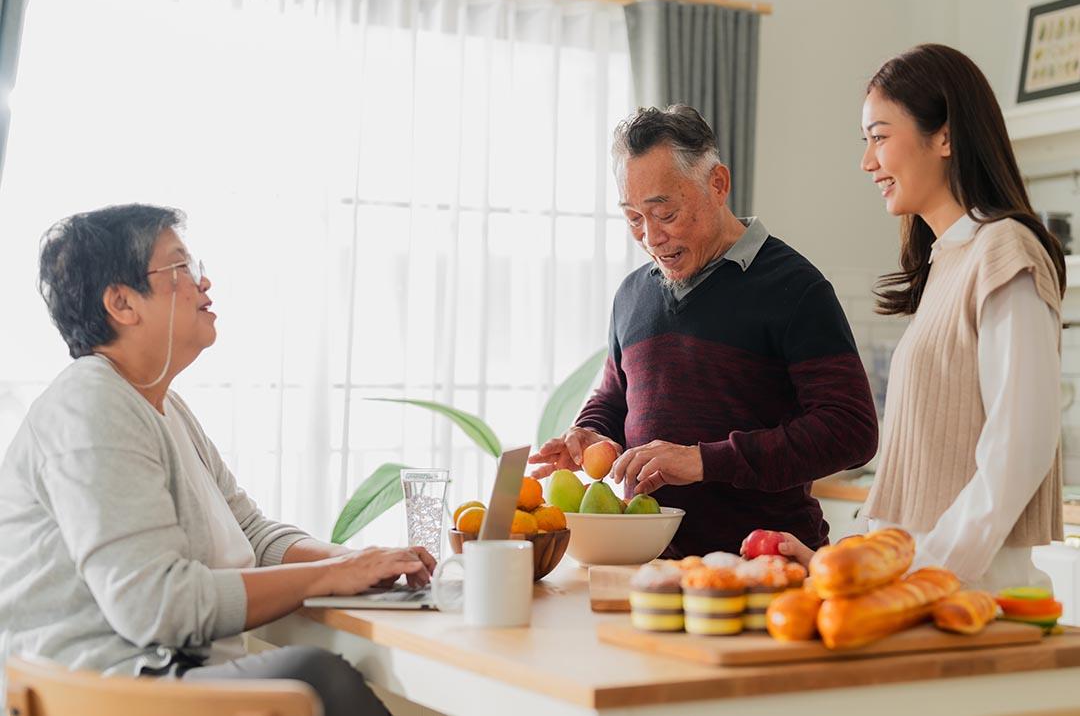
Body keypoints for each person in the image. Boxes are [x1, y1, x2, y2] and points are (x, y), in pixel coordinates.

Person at [0, 204, 436, 716]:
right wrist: (330, 577)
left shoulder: (158, 402)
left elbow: (249, 530)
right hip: (107, 692)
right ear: (121, 302)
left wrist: (356, 561)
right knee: (316, 677)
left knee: (319, 675)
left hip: (166, 675)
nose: (205, 283)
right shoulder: (90, 405)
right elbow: (157, 607)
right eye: (180, 269)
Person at [764, 44, 1066, 592]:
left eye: (879, 136)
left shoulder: (1004, 252)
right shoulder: (946, 260)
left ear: (945, 136)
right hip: (922, 588)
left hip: (972, 594)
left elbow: (1019, 448)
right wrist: (846, 562)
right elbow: (918, 471)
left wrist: (922, 575)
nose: (867, 161)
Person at [529, 105, 879, 556]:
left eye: (665, 213)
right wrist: (591, 433)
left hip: (767, 565)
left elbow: (851, 431)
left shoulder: (795, 288)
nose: (651, 238)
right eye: (634, 218)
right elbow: (616, 399)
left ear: (717, 184)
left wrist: (701, 460)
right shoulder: (632, 295)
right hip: (650, 566)